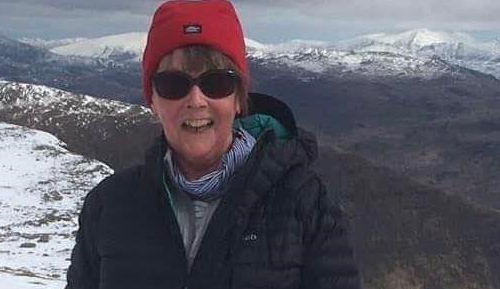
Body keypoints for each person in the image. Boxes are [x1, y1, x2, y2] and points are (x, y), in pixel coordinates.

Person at [66, 0, 361, 288]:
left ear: (238, 100)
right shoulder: (109, 206)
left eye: (217, 83)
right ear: (153, 101)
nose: (196, 100)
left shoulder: (304, 203)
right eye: (173, 85)